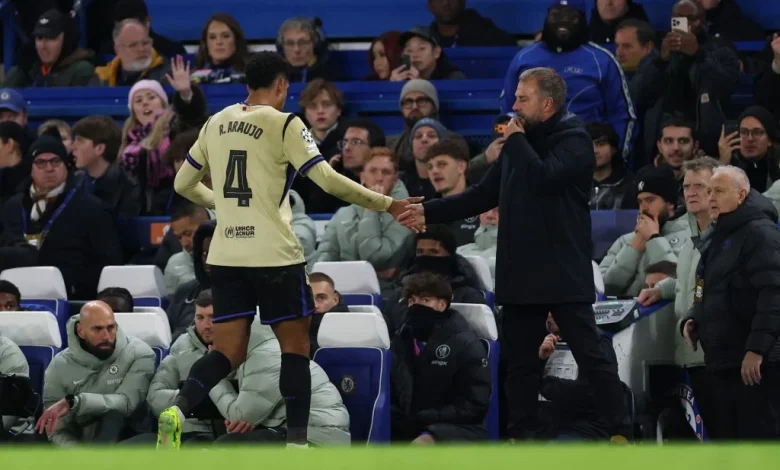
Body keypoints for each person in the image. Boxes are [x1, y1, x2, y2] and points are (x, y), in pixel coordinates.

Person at [164, 51, 420, 449]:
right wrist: (387, 204)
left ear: (247, 84)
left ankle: (178, 409)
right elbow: (329, 181)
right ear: (282, 84)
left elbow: (183, 184)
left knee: (227, 351)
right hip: (274, 255)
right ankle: (298, 445)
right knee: (295, 349)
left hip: (227, 256)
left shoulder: (216, 122)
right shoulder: (285, 123)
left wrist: (222, 206)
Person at [398, 67, 626, 441]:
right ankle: (522, 438)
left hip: (562, 269)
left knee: (591, 355)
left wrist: (516, 141)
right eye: (515, 96)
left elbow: (543, 177)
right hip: (520, 270)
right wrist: (429, 211)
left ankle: (620, 432)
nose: (514, 105)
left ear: (548, 103)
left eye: (523, 98)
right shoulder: (518, 143)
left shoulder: (574, 139)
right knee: (519, 363)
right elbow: (483, 194)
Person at [681, 166, 780, 439]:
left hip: (756, 365)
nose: (710, 197)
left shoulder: (760, 233)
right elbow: (704, 286)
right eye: (709, 191)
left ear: (741, 195)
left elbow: (774, 293)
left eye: (719, 191)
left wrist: (757, 350)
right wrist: (694, 318)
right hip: (722, 364)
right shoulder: (718, 236)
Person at [390, 273, 490, 444]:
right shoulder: (401, 340)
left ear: (442, 304)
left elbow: (474, 406)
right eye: (412, 301)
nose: (416, 306)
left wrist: (427, 417)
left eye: (425, 300)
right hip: (411, 424)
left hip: (459, 427)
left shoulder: (466, 344)